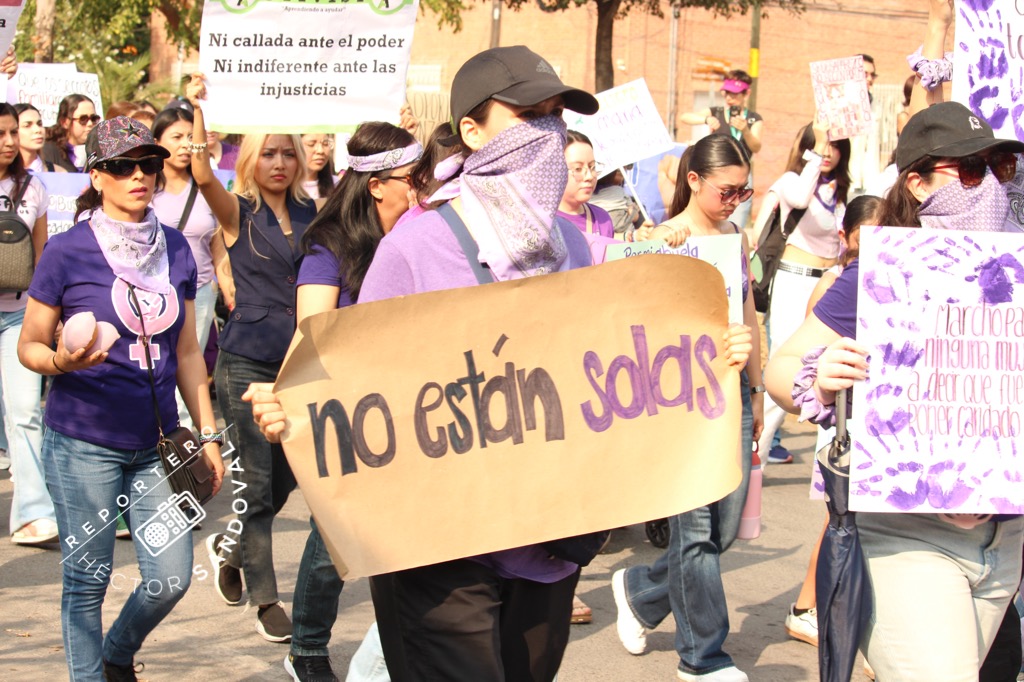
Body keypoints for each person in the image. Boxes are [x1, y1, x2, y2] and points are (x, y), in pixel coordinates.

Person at [244, 45, 753, 682]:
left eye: (556, 116)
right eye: (528, 115)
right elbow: (351, 378)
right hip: (438, 550)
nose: (548, 133)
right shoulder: (415, 248)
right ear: (471, 131)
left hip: (550, 545)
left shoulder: (576, 248)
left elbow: (621, 365)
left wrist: (709, 353)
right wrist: (293, 407)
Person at [764, 101, 1024, 681]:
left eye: (999, 167)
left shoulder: (1018, 271)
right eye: (971, 170)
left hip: (1005, 539)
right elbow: (781, 369)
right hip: (905, 532)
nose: (990, 185)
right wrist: (819, 377)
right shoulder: (881, 275)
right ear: (918, 183)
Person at [17, 115, 224, 681]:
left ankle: (115, 654)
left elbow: (188, 352)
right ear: (96, 175)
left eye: (148, 164)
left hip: (156, 444)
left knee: (171, 578)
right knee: (87, 579)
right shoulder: (67, 251)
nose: (139, 176)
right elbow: (30, 345)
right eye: (122, 166)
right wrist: (60, 362)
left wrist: (207, 436)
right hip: (82, 441)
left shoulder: (176, 247)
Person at [611, 134, 762, 682]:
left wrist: (757, 390)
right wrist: (651, 241)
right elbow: (625, 300)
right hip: (678, 400)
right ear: (693, 181)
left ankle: (642, 592)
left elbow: (747, 310)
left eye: (744, 191)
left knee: (723, 528)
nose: (734, 200)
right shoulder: (661, 237)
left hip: (731, 392)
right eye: (727, 190)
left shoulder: (734, 238)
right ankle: (703, 657)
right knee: (695, 533)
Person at [282, 121, 420, 682]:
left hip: (411, 405)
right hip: (343, 408)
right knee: (334, 538)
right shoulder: (329, 247)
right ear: (376, 186)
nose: (422, 188)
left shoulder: (422, 237)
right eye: (412, 178)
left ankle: (391, 652)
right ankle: (307, 649)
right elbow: (312, 335)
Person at [185, 72, 317, 643]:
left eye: (288, 152)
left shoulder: (314, 213)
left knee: (286, 480)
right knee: (258, 485)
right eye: (269, 153)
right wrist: (198, 109)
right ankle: (267, 600)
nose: (279, 162)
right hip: (246, 362)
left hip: (299, 364)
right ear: (251, 160)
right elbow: (199, 172)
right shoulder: (237, 211)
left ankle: (231, 546)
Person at [784, 193, 879, 650]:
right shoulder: (837, 282)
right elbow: (804, 358)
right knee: (837, 517)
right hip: (838, 418)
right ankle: (807, 606)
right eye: (866, 236)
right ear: (846, 236)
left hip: (872, 416)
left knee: (852, 522)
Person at [756, 117, 850, 465]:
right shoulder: (793, 182)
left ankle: (830, 468)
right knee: (787, 364)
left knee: (829, 369)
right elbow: (797, 198)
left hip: (829, 283)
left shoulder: (843, 192)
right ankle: (755, 457)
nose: (828, 152)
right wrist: (817, 148)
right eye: (822, 144)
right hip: (793, 279)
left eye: (835, 146)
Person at [149, 106, 225, 431]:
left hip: (199, 292)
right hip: (150, 293)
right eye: (176, 137)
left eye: (189, 137)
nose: (184, 145)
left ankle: (182, 445)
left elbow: (218, 243)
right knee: (156, 369)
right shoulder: (144, 187)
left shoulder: (208, 187)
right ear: (156, 142)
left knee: (188, 366)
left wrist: (227, 284)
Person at [0, 103, 55, 546]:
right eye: (0, 133)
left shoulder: (34, 187)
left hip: (17, 315)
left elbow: (41, 256)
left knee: (24, 414)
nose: (8, 141)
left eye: (12, 132)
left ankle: (33, 514)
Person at [679, 70, 764, 229]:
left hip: (739, 175)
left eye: (735, 94)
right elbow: (684, 117)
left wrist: (745, 130)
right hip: (716, 175)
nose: (729, 98)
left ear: (746, 94)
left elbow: (756, 146)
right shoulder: (716, 112)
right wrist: (706, 119)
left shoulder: (754, 119)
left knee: (735, 221)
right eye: (727, 93)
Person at [558, 130, 614, 239]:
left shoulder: (602, 219)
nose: (589, 176)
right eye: (578, 169)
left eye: (592, 167)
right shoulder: (541, 222)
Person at [41, 94, 99, 172]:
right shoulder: (49, 151)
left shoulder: (99, 151)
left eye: (93, 118)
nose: (90, 124)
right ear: (64, 122)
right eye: (83, 119)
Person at [15, 103, 65, 174]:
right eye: (27, 125)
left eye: (39, 124)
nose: (38, 130)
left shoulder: (59, 173)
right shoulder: (3, 173)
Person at [300, 134, 338, 200]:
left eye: (325, 144)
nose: (320, 151)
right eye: (311, 144)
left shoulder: (337, 184)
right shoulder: (285, 186)